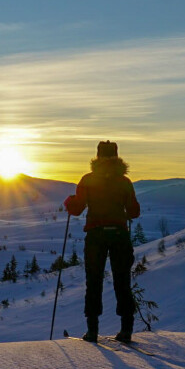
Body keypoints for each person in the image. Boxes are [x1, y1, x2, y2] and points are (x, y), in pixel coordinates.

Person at [63, 141, 141, 343]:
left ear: (97, 157)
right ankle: (126, 330)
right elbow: (134, 212)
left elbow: (77, 208)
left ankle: (92, 332)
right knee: (122, 281)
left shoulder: (88, 180)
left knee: (94, 281)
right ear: (117, 156)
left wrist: (69, 202)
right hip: (119, 235)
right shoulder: (124, 181)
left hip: (96, 236)